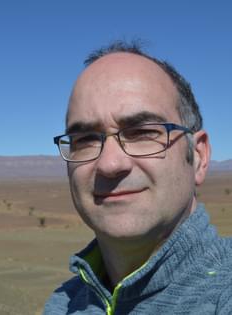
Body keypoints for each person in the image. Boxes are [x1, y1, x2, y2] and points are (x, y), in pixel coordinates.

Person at [43, 41, 232, 314]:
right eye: (85, 139)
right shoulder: (64, 303)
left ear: (199, 157)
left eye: (143, 133)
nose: (109, 164)